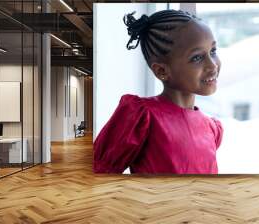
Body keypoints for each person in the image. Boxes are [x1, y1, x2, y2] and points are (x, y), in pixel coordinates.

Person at [93, 9, 223, 174]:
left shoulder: (211, 128)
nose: (212, 65)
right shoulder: (141, 116)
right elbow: (101, 172)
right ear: (161, 71)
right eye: (197, 57)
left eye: (213, 51)